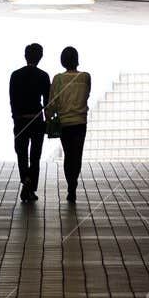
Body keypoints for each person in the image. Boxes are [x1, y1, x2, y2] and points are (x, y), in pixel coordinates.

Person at [46, 46, 91, 203]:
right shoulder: (86, 77)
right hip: (80, 122)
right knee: (77, 155)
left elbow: (52, 102)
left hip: (64, 123)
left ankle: (70, 184)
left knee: (68, 154)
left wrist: (49, 117)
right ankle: (73, 184)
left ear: (63, 61)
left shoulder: (58, 79)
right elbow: (86, 95)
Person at [9, 42, 50, 202]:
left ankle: (25, 179)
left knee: (21, 154)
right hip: (36, 120)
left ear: (25, 56)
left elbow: (12, 100)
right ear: (40, 57)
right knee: (35, 156)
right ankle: (31, 188)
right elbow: (47, 102)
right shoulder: (43, 76)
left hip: (20, 120)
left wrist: (15, 117)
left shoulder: (15, 75)